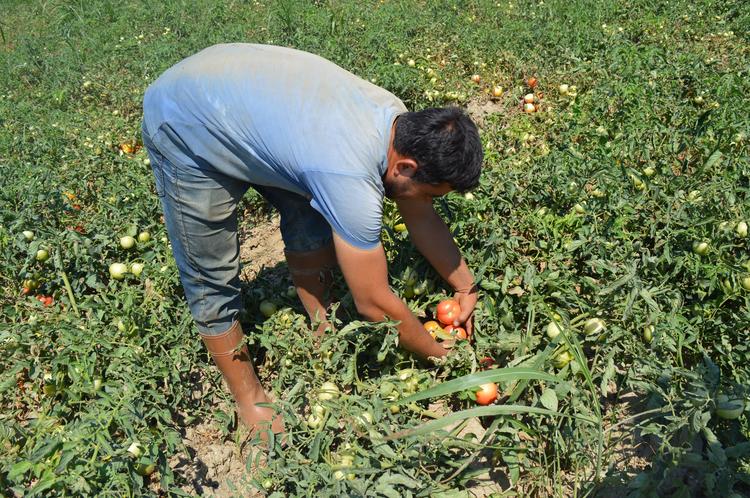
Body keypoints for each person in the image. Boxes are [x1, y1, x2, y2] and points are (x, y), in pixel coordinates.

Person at [141, 43, 483, 438]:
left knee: (310, 214)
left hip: (242, 95)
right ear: (405, 166)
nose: (425, 203)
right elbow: (372, 303)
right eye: (429, 193)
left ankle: (321, 327)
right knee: (210, 271)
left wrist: (465, 284)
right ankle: (249, 397)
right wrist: (441, 355)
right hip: (184, 119)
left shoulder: (397, 121)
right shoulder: (347, 176)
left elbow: (419, 214)